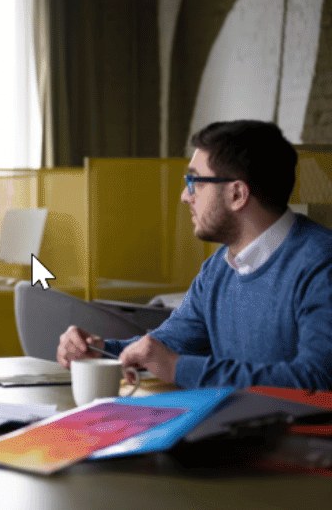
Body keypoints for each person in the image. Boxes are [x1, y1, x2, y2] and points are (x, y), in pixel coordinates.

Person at [57, 120, 332, 390]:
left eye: (195, 182)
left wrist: (179, 368)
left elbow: (318, 379)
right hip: (236, 428)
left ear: (237, 194)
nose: (184, 196)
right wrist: (101, 351)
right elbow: (164, 346)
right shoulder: (218, 268)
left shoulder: (322, 262)